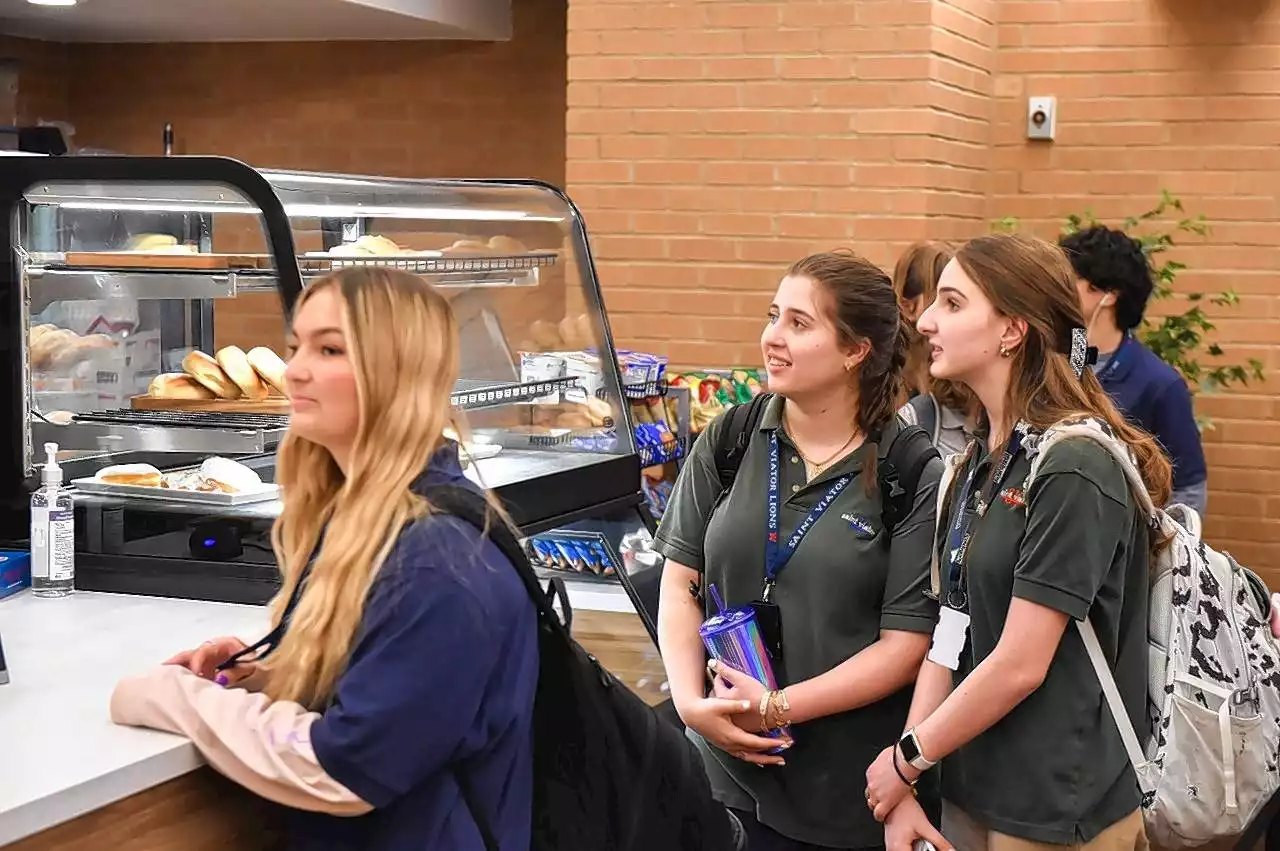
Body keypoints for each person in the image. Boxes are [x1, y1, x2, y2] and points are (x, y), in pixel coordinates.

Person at [109, 267, 539, 850]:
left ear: (397, 372)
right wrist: (274, 676)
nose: (295, 370)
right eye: (296, 346)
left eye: (330, 348)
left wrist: (176, 697)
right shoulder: (369, 518)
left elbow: (347, 769)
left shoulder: (435, 559)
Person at [863, 233, 1171, 851]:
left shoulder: (1074, 466)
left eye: (952, 304)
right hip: (971, 784)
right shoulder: (979, 458)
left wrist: (907, 759)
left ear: (1011, 330)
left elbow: (1021, 664)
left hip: (1059, 807)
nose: (924, 321)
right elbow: (949, 630)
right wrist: (911, 779)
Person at [654, 249, 944, 851]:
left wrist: (778, 706)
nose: (772, 338)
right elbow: (681, 582)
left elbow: (906, 646)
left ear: (855, 351)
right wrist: (688, 704)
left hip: (844, 799)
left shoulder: (910, 470)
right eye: (772, 316)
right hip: (718, 779)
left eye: (799, 323)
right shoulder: (730, 438)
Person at [1059, 224, 1207, 516]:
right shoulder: (1055, 362)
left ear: (1109, 294)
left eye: (1070, 279)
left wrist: (1153, 552)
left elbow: (1189, 489)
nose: (1058, 289)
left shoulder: (1159, 383)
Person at [892, 241, 973, 458]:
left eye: (953, 304)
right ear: (907, 306)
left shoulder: (964, 374)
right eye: (936, 299)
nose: (936, 318)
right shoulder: (887, 381)